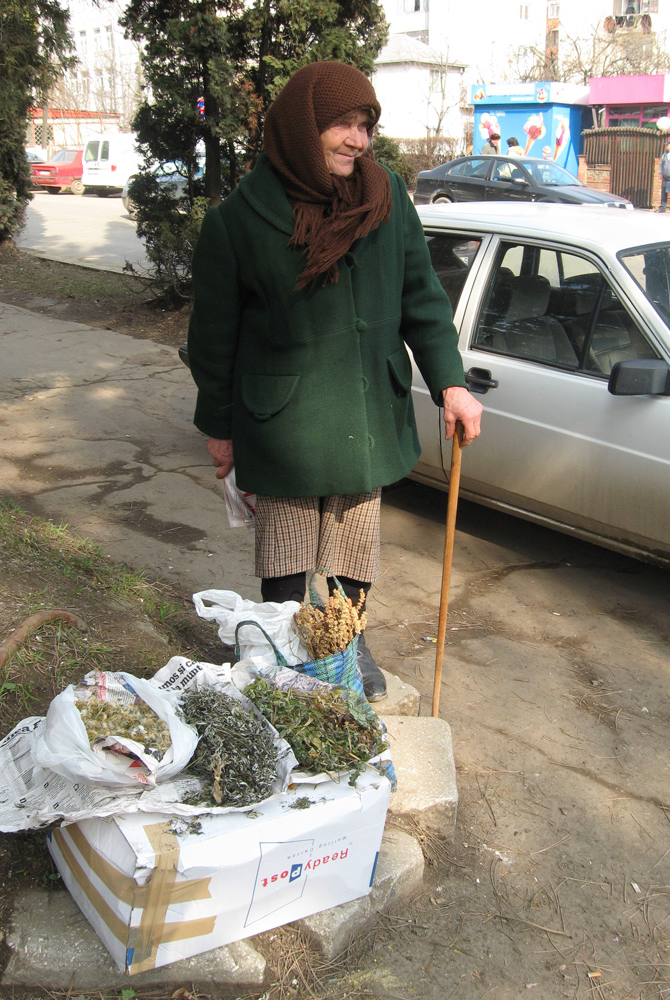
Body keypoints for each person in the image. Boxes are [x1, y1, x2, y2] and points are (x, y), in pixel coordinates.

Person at [187, 61, 483, 702]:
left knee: (354, 538)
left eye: (366, 125)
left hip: (365, 403)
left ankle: (349, 643)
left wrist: (451, 383)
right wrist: (219, 427)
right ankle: (288, 646)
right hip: (284, 415)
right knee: (287, 546)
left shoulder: (386, 198)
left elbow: (422, 297)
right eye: (342, 125)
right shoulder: (239, 220)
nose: (358, 140)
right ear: (302, 128)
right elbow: (213, 338)